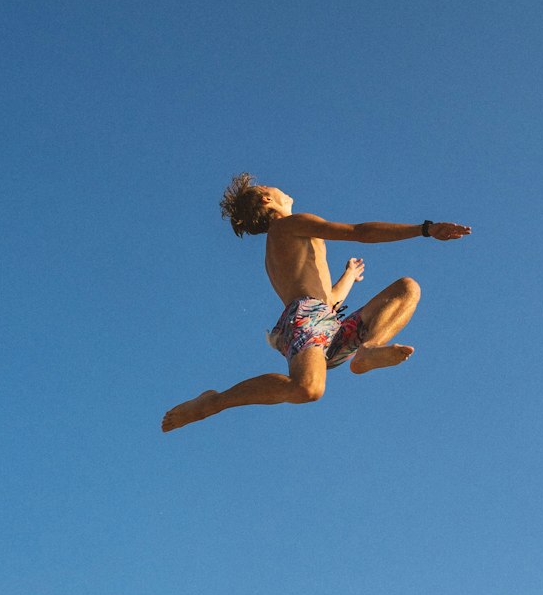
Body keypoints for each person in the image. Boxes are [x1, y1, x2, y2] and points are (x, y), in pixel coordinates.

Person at [161, 174, 470, 432]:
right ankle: (214, 401)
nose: (277, 187)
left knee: (407, 288)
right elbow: (357, 232)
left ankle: (368, 350)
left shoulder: (287, 242)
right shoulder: (288, 225)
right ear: (266, 200)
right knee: (308, 389)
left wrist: (347, 277)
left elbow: (328, 301)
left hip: (326, 322)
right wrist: (424, 229)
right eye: (269, 187)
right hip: (305, 318)